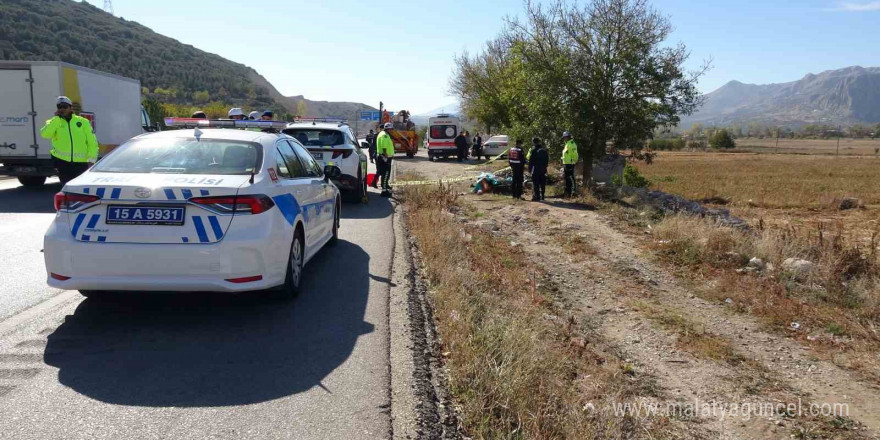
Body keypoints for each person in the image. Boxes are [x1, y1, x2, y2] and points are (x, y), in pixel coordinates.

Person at [40, 96, 98, 184]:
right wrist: (56, 119)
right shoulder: (54, 122)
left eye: (65, 106)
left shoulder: (83, 122)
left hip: (81, 163)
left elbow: (92, 142)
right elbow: (45, 134)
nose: (62, 109)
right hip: (62, 162)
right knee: (66, 188)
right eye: (59, 107)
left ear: (70, 108)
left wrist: (92, 160)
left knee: (80, 189)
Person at [375, 122, 395, 191]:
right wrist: (385, 156)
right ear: (388, 129)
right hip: (385, 157)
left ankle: (385, 185)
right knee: (386, 173)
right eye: (391, 129)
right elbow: (384, 146)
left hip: (383, 156)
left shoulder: (382, 133)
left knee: (384, 172)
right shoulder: (385, 135)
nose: (391, 130)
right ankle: (384, 189)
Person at [528, 137, 549, 201]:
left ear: (533, 142)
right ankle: (542, 195)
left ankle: (537, 196)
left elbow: (531, 161)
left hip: (536, 168)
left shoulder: (533, 150)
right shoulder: (544, 149)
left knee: (536, 182)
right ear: (539, 142)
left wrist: (530, 169)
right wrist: (545, 167)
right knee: (542, 182)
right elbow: (547, 159)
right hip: (543, 168)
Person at [561, 131, 579, 198]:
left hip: (570, 164)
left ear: (568, 137)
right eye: (564, 137)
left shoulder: (572, 144)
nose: (564, 139)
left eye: (565, 137)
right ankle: (567, 193)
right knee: (567, 178)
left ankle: (573, 192)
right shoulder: (567, 144)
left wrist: (574, 161)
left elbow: (575, 154)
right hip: (566, 163)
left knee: (571, 178)